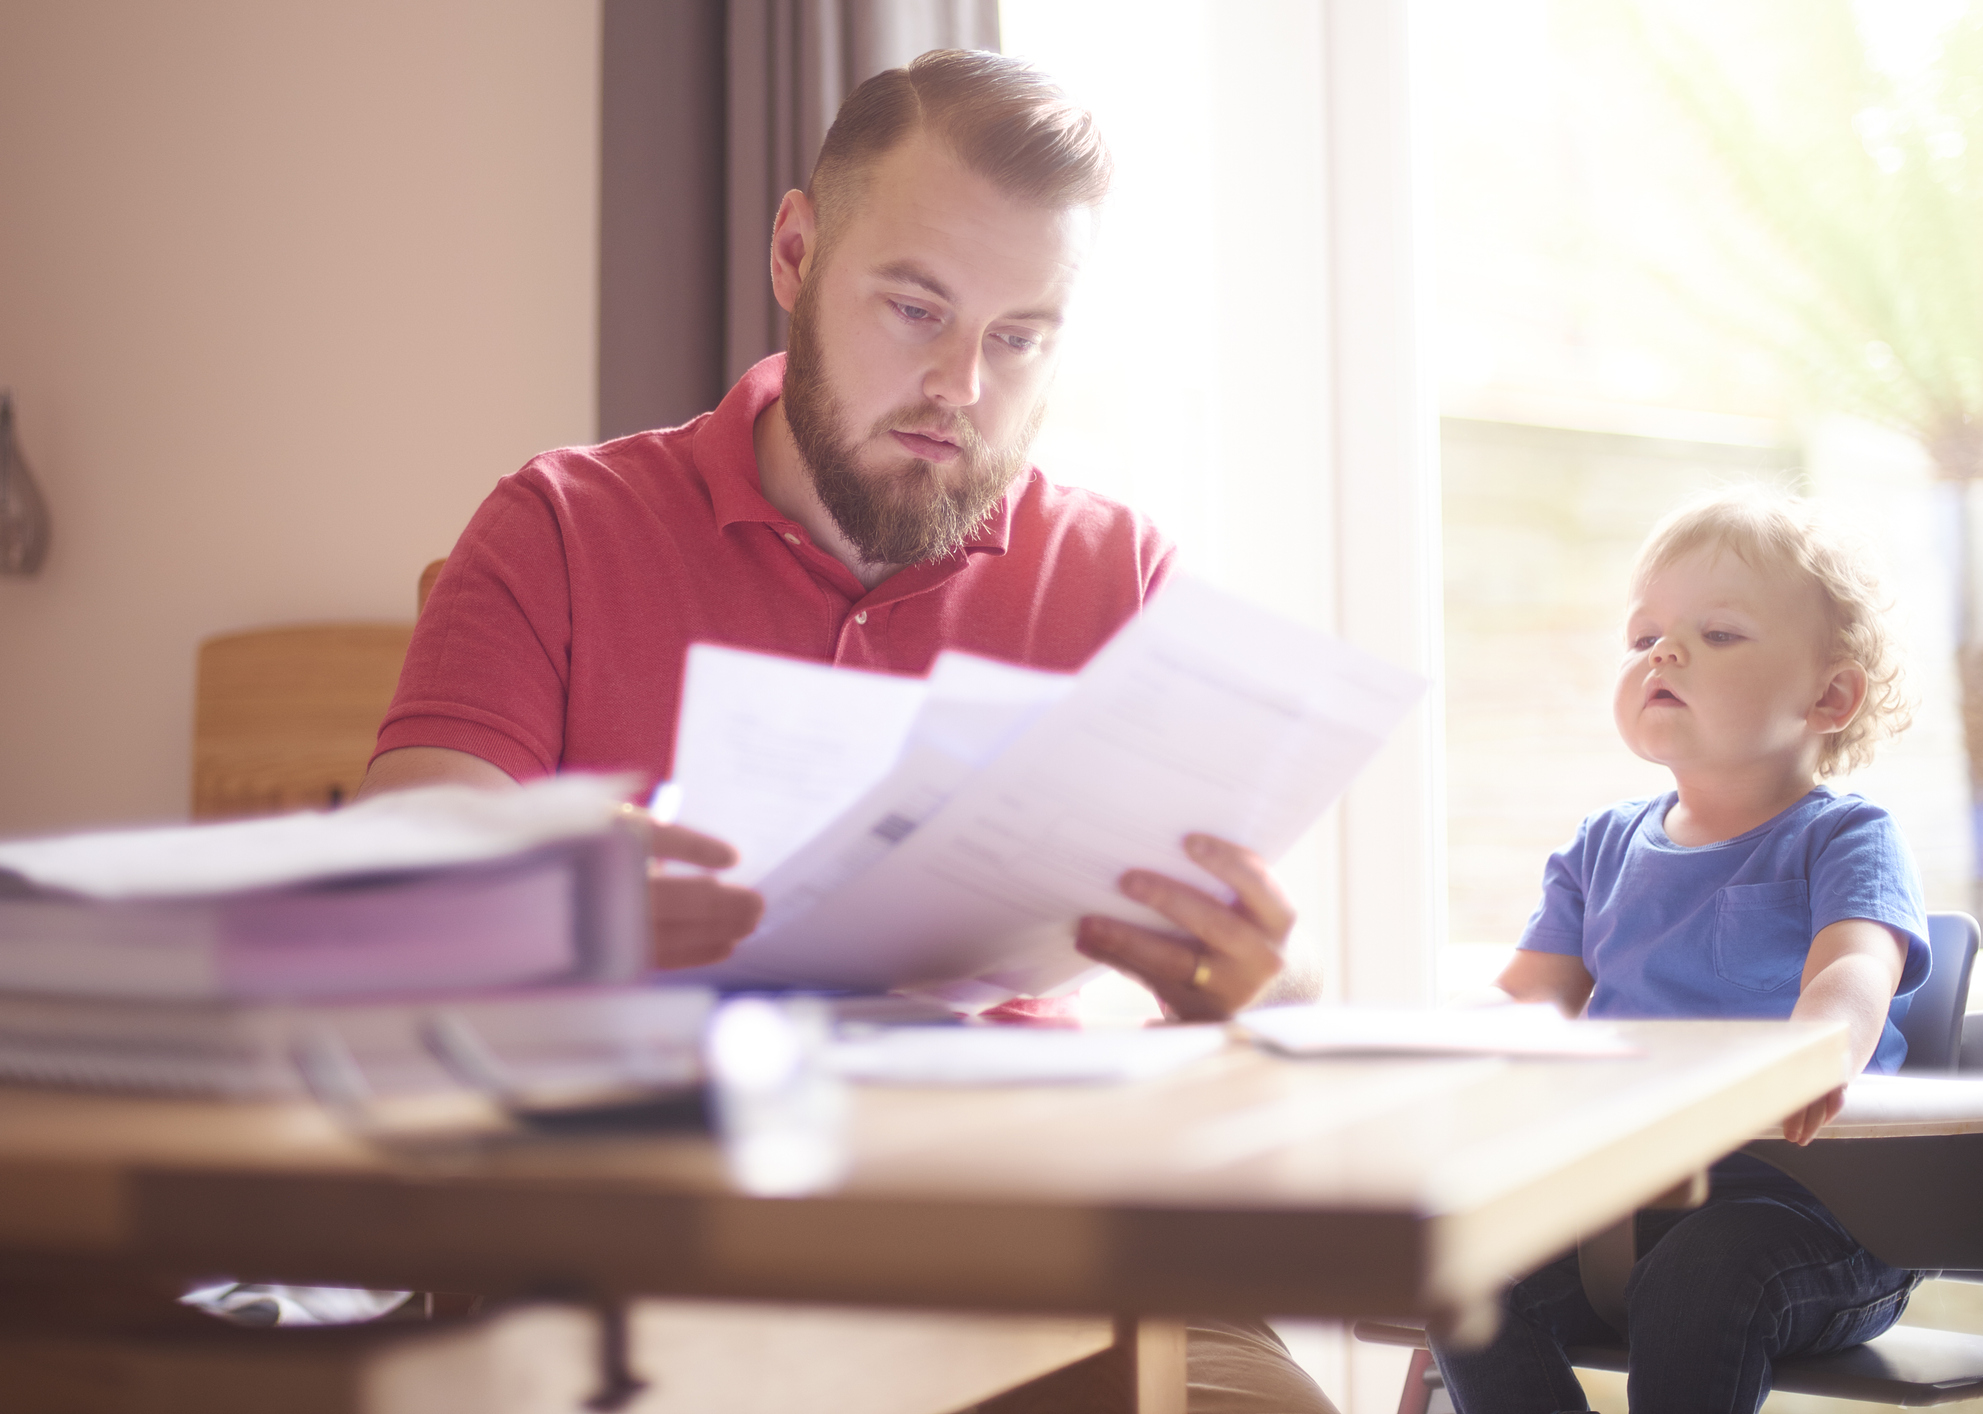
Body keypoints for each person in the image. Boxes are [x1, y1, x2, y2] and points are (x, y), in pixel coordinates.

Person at [359, 48, 1335, 1414]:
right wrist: (548, 901)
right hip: (661, 1250)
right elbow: (382, 888)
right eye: (916, 307)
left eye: (1017, 337)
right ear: (795, 250)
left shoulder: (1119, 577)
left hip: (1040, 1248)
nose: (959, 386)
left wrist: (1250, 989)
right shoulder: (561, 527)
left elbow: (1274, 999)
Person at [1430, 490, 1932, 1414]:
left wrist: (1813, 1046)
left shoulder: (1845, 838)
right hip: (1624, 1216)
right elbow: (1524, 1005)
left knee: (1707, 1273)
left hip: (1818, 1216)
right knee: (1460, 1259)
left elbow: (1855, 972)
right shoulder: (1599, 847)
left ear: (1828, 695)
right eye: (1643, 637)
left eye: (1720, 634)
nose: (1662, 653)